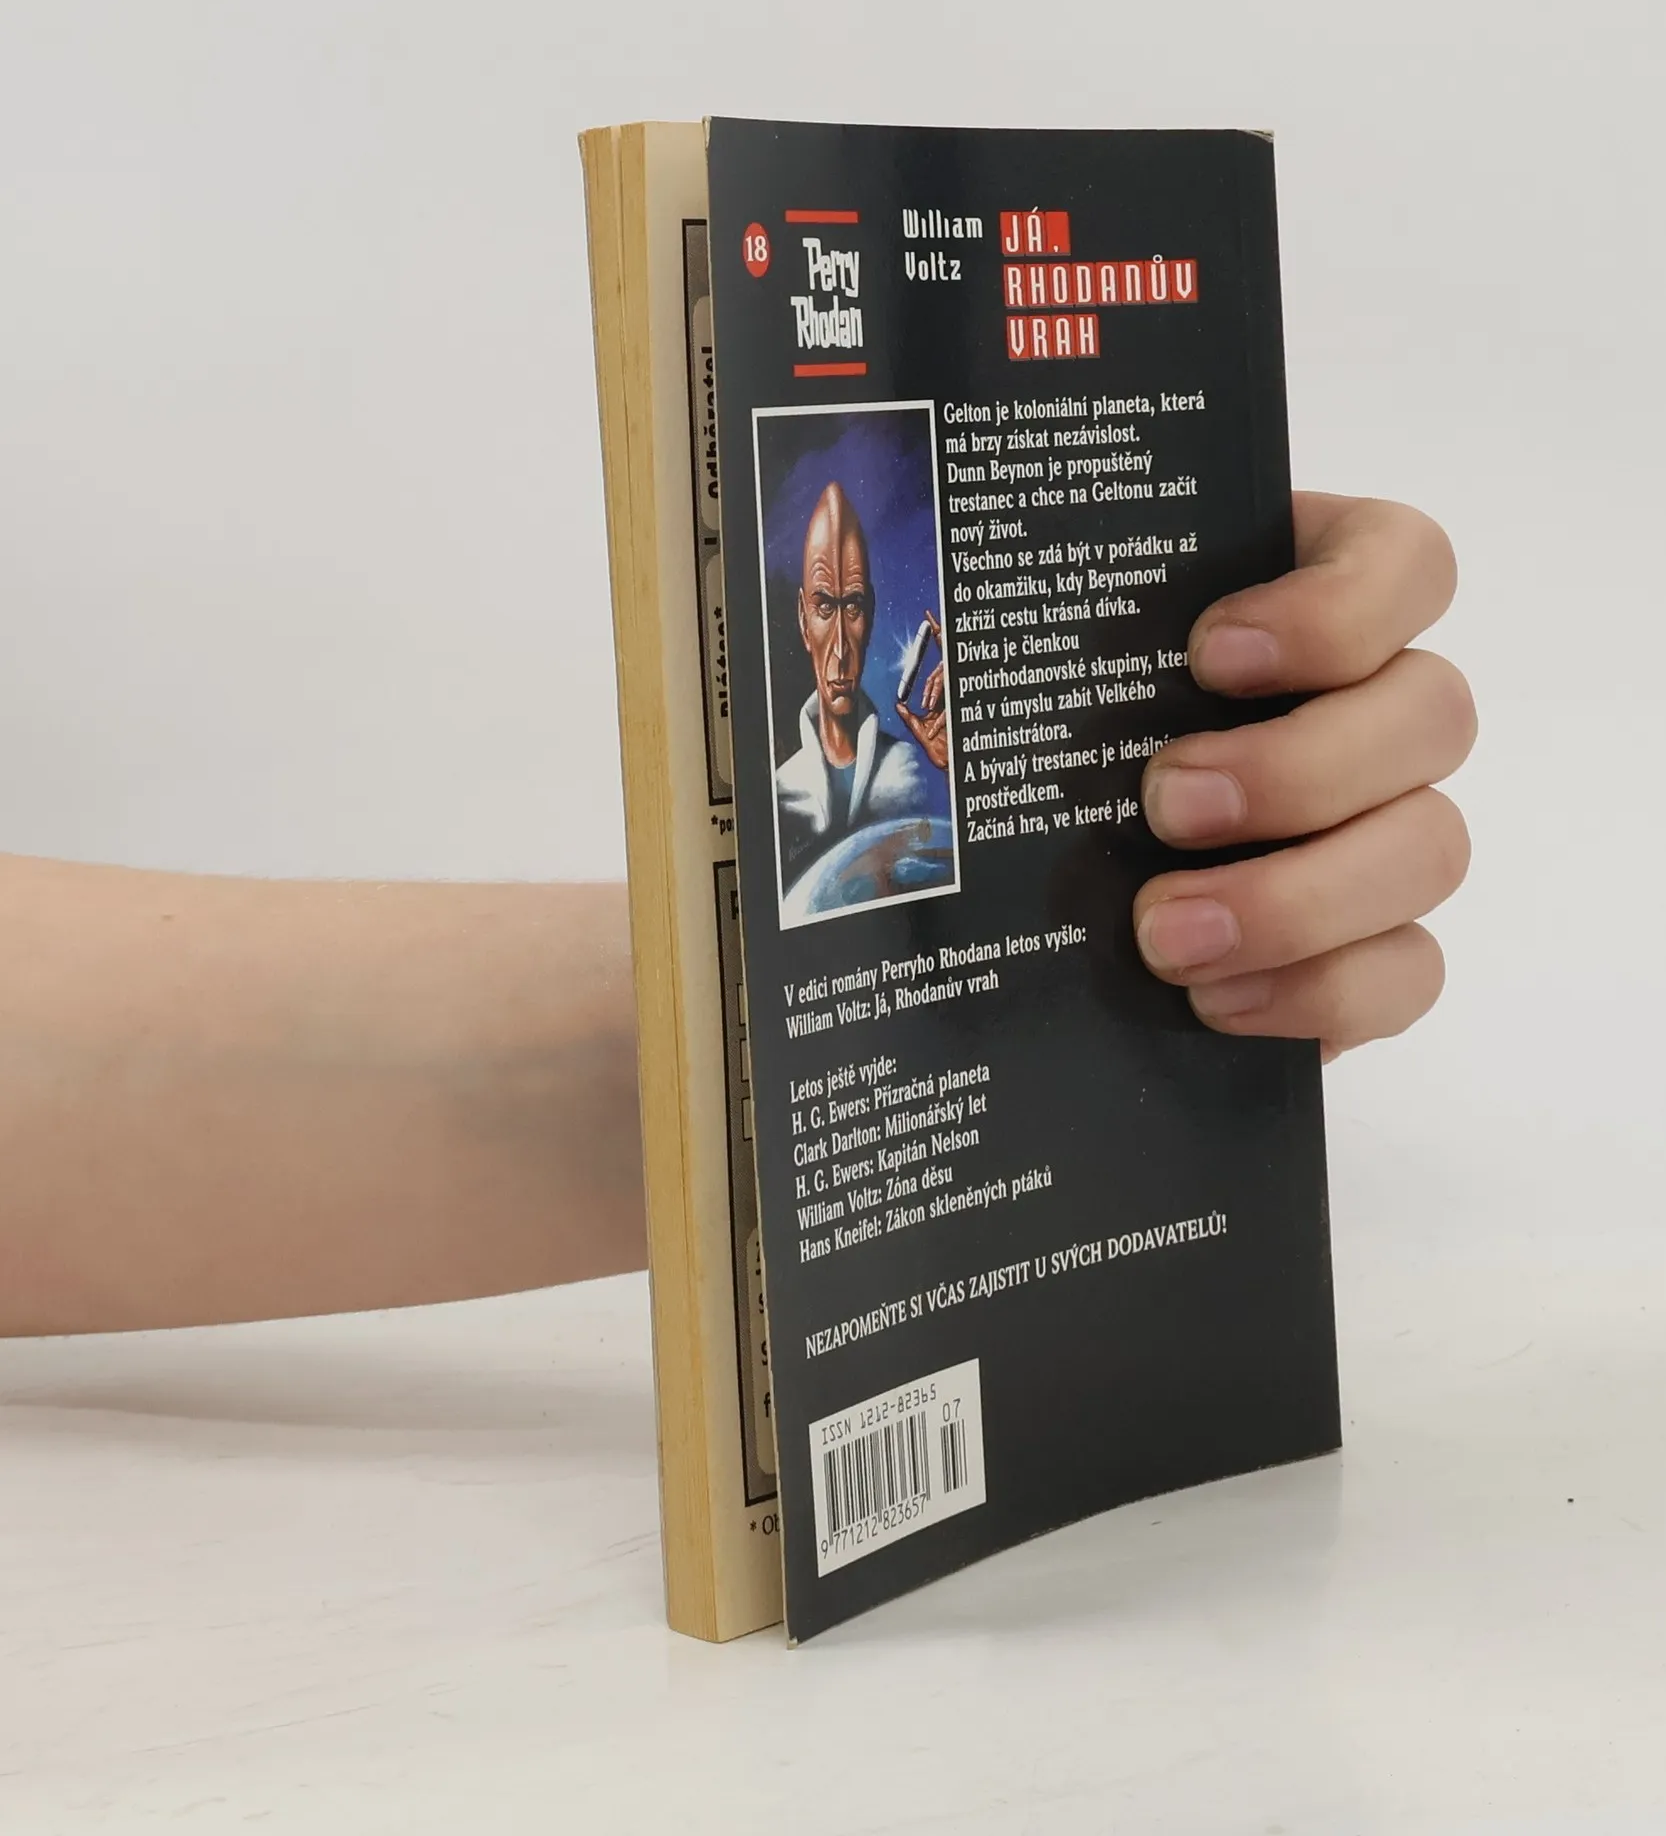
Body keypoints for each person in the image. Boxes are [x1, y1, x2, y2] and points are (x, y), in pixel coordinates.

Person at [0, 492, 1474, 1339]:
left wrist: (1032, 974)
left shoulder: (898, 766)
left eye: (855, 610)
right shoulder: (800, 774)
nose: (837, 639)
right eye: (818, 609)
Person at [773, 480, 948, 894]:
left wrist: (963, 755)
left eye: (852, 606)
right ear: (802, 620)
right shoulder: (781, 791)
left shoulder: (912, 771)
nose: (840, 649)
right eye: (824, 607)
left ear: (869, 614)